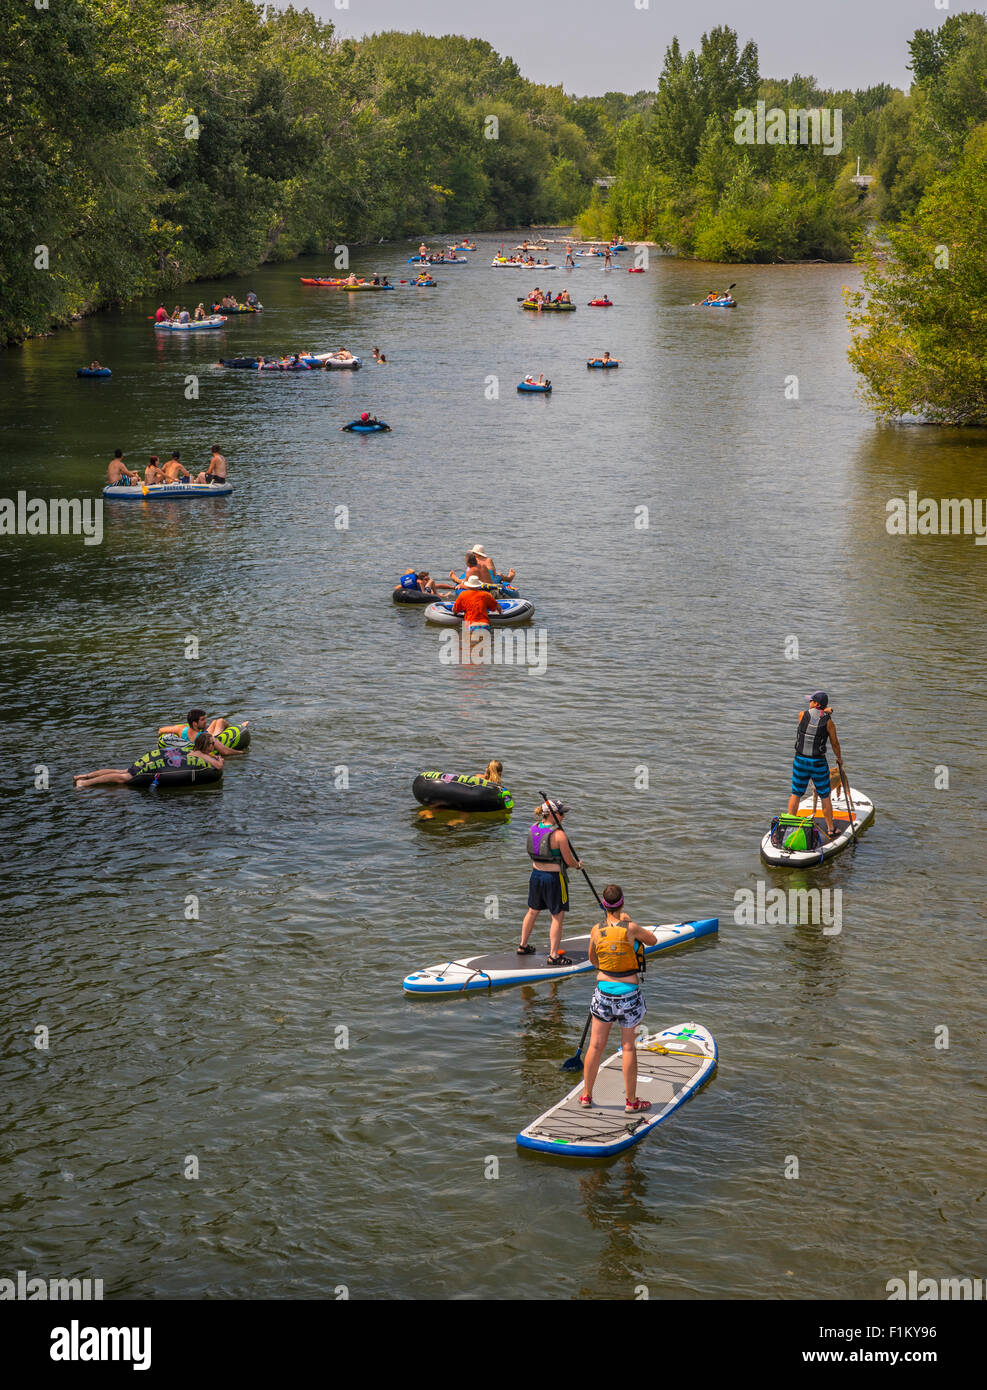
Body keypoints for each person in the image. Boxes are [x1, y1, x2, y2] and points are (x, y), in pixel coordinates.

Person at [579, 885, 659, 1112]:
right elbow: (652, 940)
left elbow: (592, 959)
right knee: (628, 1048)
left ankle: (586, 1096)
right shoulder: (631, 928)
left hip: (603, 992)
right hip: (629, 995)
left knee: (595, 1045)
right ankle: (631, 1102)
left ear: (604, 905)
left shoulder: (596, 930)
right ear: (622, 903)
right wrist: (628, 921)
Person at [517, 799, 582, 965]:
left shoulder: (533, 828)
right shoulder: (559, 835)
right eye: (562, 813)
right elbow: (568, 861)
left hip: (536, 876)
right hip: (554, 879)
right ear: (554, 814)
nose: (564, 816)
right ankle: (553, 956)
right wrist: (578, 865)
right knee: (557, 916)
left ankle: (523, 946)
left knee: (532, 911)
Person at [73, 732, 224, 787]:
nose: (213, 745)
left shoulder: (192, 751)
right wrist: (219, 759)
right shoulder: (203, 756)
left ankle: (84, 775)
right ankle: (85, 783)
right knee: (123, 778)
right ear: (206, 745)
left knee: (123, 771)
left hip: (154, 763)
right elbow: (218, 767)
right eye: (212, 743)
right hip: (155, 769)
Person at [787, 691, 842, 838]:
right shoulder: (829, 723)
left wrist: (823, 711)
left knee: (796, 793)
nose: (808, 703)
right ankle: (831, 828)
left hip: (800, 761)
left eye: (811, 701)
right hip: (818, 763)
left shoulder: (801, 715)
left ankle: (790, 825)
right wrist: (839, 758)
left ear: (816, 704)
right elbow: (835, 743)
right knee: (825, 795)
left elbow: (813, 718)